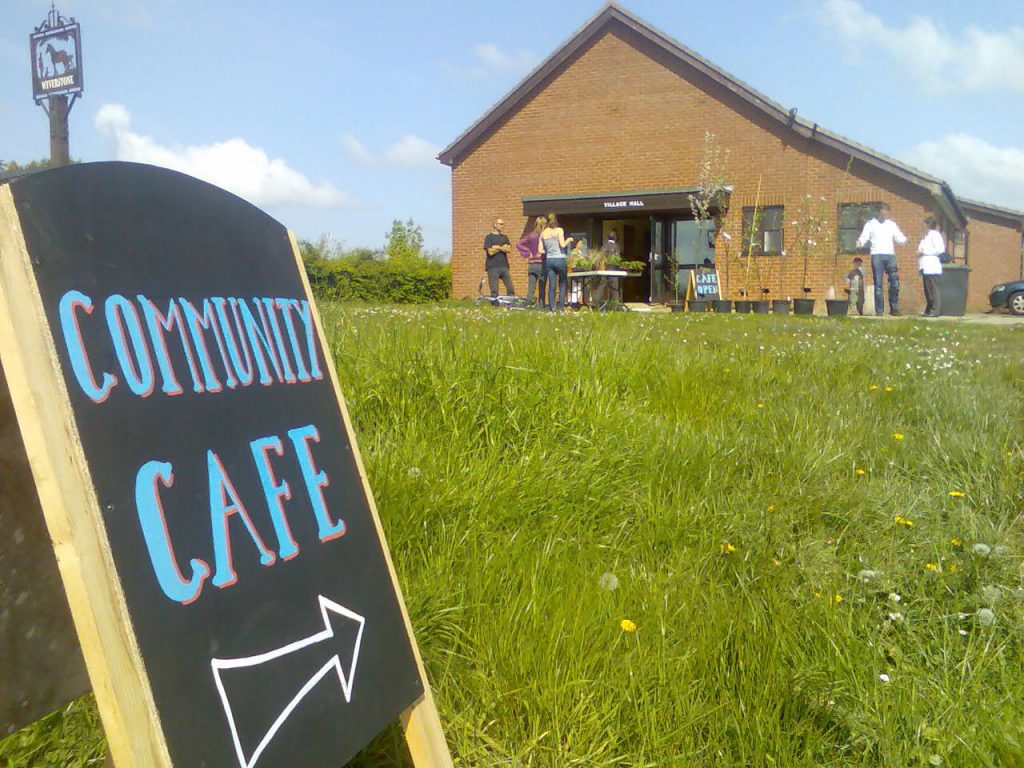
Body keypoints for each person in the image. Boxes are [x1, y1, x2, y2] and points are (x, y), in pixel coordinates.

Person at [856, 203, 907, 316]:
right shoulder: (870, 224)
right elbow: (864, 237)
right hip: (877, 255)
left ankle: (894, 308)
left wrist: (905, 240)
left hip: (890, 256)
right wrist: (860, 242)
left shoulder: (891, 225)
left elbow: (899, 237)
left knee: (894, 282)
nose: (884, 216)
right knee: (878, 284)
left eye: (886, 214)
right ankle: (879, 311)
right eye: (883, 214)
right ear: (878, 213)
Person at [539, 213, 573, 312]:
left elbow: (540, 250)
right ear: (556, 220)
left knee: (552, 285)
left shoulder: (543, 233)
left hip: (549, 260)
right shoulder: (559, 230)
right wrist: (569, 240)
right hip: (560, 259)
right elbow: (562, 245)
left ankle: (551, 308)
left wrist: (549, 250)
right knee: (562, 283)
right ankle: (561, 307)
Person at [516, 215, 547, 308]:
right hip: (541, 263)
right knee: (541, 287)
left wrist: (528, 253)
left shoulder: (531, 235)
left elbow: (518, 243)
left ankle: (527, 305)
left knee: (531, 288)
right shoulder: (544, 235)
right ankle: (540, 307)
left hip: (531, 264)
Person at [917, 216, 945, 317]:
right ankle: (929, 309)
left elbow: (940, 249)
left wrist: (924, 252)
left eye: (924, 224)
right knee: (927, 290)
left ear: (928, 225)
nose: (922, 226)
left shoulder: (935, 235)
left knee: (933, 290)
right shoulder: (925, 237)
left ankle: (935, 310)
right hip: (925, 267)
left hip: (932, 267)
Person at [483, 217, 515, 298]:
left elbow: (509, 249)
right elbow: (490, 252)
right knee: (494, 290)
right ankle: (495, 307)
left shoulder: (505, 237)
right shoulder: (489, 237)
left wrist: (497, 247)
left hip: (504, 266)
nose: (503, 226)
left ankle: (510, 304)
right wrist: (502, 247)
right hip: (493, 266)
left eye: (503, 224)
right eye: (501, 224)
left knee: (510, 288)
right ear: (495, 225)